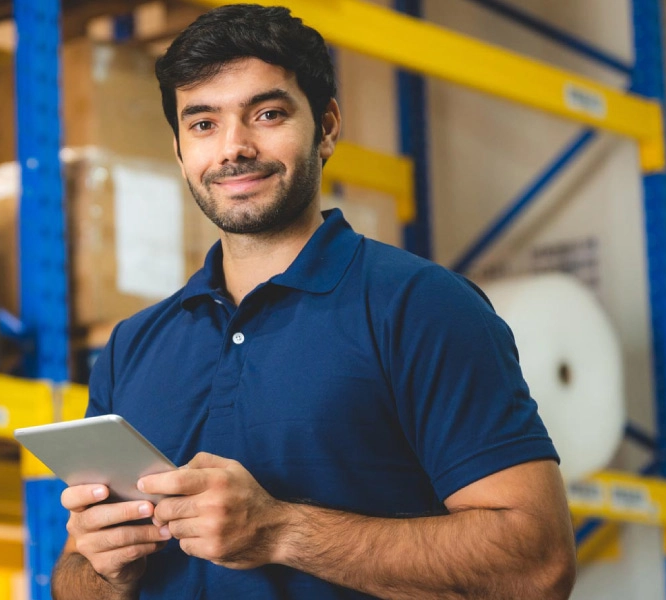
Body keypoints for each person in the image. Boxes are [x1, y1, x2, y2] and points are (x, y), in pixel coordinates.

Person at [51, 4, 577, 599]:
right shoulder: (133, 345)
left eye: (267, 114)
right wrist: (105, 571)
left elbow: (538, 566)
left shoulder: (420, 306)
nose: (233, 148)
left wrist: (279, 531)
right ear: (178, 151)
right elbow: (72, 579)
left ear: (326, 126)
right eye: (203, 124)